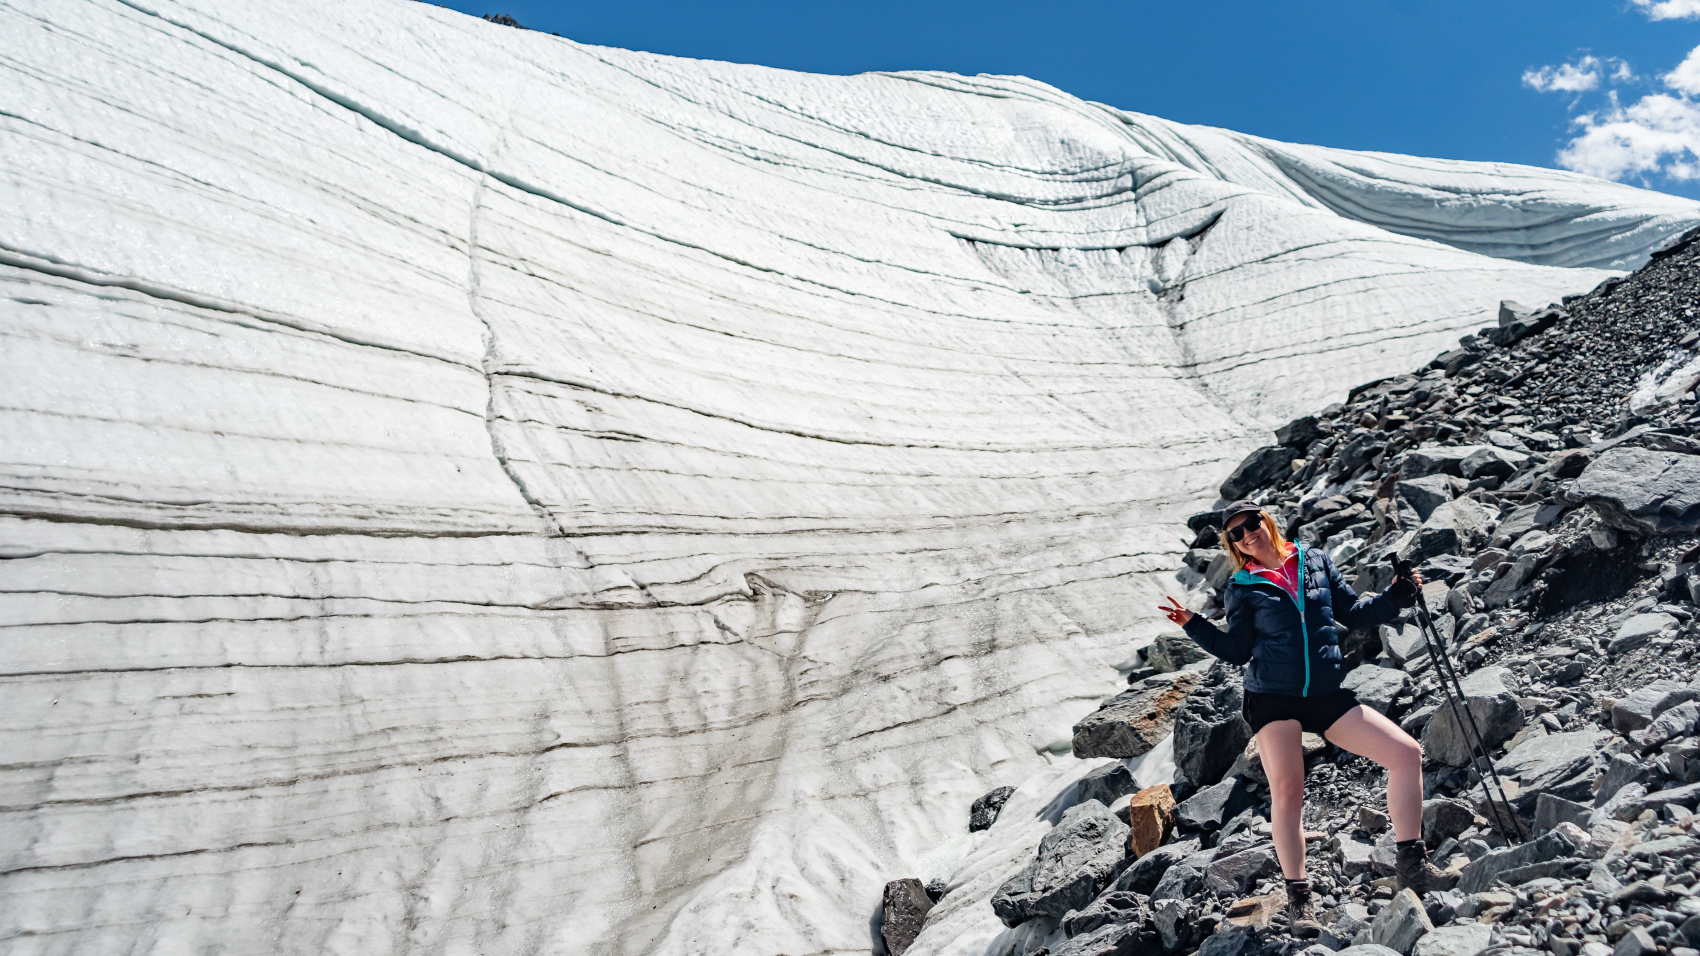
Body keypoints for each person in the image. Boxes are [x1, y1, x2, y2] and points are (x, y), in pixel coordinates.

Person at [1157, 499, 1454, 938]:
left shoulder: (1314, 561)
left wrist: (1397, 595)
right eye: (1235, 534)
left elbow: (1352, 614)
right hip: (1272, 699)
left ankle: (1413, 864)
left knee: (1407, 753)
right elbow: (1238, 651)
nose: (1246, 536)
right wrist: (1194, 624)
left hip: (1324, 693)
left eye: (1251, 524)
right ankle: (1299, 896)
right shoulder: (1242, 587)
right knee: (1290, 790)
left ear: (1266, 520)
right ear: (1232, 544)